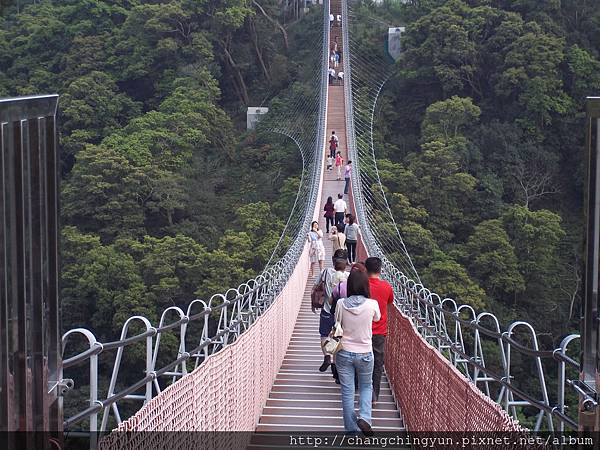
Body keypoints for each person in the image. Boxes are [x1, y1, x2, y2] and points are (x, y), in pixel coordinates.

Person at [335, 263, 380, 435]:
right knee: (366, 387)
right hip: (366, 353)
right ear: (365, 285)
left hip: (344, 351)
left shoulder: (340, 303)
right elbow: (377, 318)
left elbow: (337, 322)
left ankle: (351, 431)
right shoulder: (372, 304)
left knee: (347, 392)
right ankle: (365, 418)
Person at [365, 257, 394, 406]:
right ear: (380, 269)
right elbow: (389, 302)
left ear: (366, 269)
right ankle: (374, 395)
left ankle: (363, 391)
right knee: (377, 363)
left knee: (362, 361)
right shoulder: (387, 287)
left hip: (362, 331)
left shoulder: (362, 286)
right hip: (379, 332)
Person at [314, 255, 349, 374]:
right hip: (341, 314)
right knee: (337, 337)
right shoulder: (348, 277)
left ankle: (327, 357)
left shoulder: (326, 272)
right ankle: (334, 364)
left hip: (326, 311)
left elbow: (314, 287)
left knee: (324, 335)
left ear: (333, 264)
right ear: (345, 267)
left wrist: (313, 303)